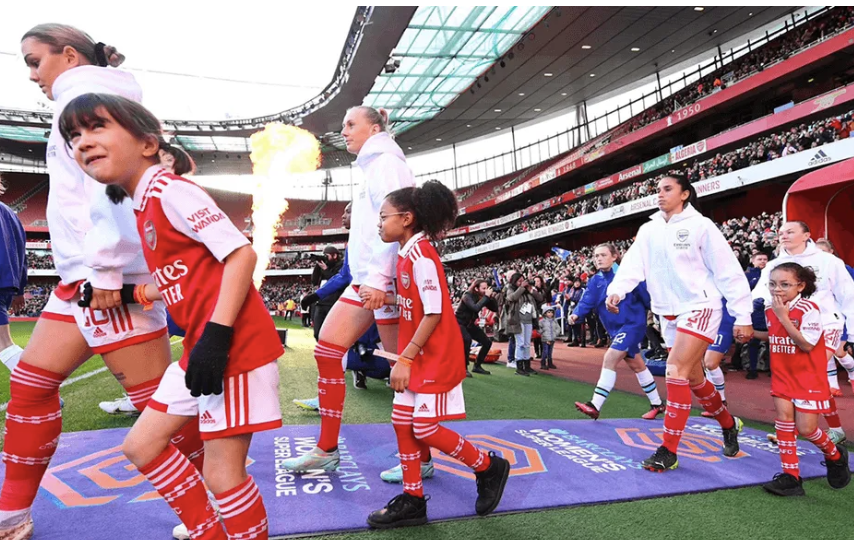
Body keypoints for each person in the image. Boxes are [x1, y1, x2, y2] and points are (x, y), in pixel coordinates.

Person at [0, 26, 204, 539]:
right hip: (83, 278)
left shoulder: (90, 100)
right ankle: (11, 513)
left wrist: (107, 271)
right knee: (30, 387)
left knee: (159, 411)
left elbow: (115, 186)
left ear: (68, 55)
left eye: (35, 61)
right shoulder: (92, 95)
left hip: (108, 282)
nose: (32, 75)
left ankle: (215, 507)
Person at [60, 92, 284, 539]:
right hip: (200, 348)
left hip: (234, 347)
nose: (82, 141)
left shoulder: (169, 191)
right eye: (73, 135)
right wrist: (128, 293)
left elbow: (240, 255)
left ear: (148, 144)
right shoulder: (143, 204)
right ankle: (208, 532)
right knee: (141, 445)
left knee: (223, 475)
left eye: (97, 126)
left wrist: (218, 336)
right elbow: (181, 277)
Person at [367, 180, 510, 529]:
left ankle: (488, 467)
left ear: (406, 218)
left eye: (383, 217)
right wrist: (387, 298)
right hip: (418, 354)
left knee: (424, 427)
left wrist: (404, 359)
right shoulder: (406, 253)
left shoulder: (421, 256)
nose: (379, 223)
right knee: (401, 421)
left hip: (435, 355)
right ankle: (413, 499)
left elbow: (434, 313)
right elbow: (417, 301)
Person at [281, 105, 414, 472]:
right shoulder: (375, 164)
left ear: (375, 128)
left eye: (351, 124)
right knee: (336, 352)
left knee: (398, 368)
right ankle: (328, 449)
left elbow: (398, 222)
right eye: (344, 125)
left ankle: (416, 457)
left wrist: (378, 279)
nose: (344, 131)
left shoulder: (386, 163)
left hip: (382, 280)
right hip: (372, 279)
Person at [606, 174, 753, 472]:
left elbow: (728, 271)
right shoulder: (648, 229)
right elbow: (633, 264)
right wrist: (617, 290)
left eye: (667, 189)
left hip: (700, 306)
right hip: (667, 313)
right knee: (694, 378)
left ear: (685, 194)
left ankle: (668, 450)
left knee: (675, 370)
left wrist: (743, 315)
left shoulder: (701, 226)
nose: (660, 194)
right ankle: (728, 424)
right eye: (657, 190)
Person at [98, 142, 196, 418]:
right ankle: (146, 397)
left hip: (196, 308)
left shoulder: (176, 203)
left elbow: (191, 275)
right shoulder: (152, 205)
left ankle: (148, 399)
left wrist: (131, 293)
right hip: (180, 303)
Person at [752, 222, 854, 445]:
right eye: (781, 232)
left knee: (811, 371)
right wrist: (755, 305)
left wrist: (852, 334)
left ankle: (816, 428)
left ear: (806, 235)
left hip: (827, 324)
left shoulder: (828, 261)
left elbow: (848, 295)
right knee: (802, 374)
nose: (784, 235)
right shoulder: (775, 263)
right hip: (790, 325)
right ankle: (811, 427)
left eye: (790, 232)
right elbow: (761, 291)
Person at [760, 263, 850, 496]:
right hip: (782, 375)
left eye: (784, 284)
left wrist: (783, 317)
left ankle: (835, 455)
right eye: (772, 284)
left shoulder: (809, 309)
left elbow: (806, 344)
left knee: (807, 429)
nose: (777, 289)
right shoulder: (769, 308)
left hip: (808, 378)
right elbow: (775, 335)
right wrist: (750, 334)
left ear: (800, 286)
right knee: (783, 424)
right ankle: (791, 477)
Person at [571, 244, 665, 420]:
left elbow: (647, 298)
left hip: (632, 325)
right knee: (637, 365)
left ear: (614, 256)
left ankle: (595, 405)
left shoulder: (629, 276)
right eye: (596, 256)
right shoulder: (595, 280)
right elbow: (586, 301)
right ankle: (657, 404)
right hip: (614, 329)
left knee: (610, 357)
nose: (599, 259)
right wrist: (576, 314)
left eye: (603, 255)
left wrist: (662, 318)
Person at [815, 238, 854, 395]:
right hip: (818, 317)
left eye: (824, 251)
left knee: (839, 351)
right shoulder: (811, 270)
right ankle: (832, 385)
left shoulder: (844, 268)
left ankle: (852, 374)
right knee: (825, 350)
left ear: (831, 251)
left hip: (840, 316)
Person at [0, 178, 27, 372]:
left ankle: (37, 386)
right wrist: (20, 290)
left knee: (4, 344)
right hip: (7, 284)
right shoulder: (10, 214)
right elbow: (22, 255)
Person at [455, 278, 499, 376]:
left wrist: (491, 297)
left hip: (470, 324)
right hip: (459, 323)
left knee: (487, 342)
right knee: (467, 340)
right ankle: (463, 368)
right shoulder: (467, 295)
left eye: (487, 288)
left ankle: (477, 366)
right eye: (483, 288)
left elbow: (495, 308)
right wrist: (486, 297)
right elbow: (475, 308)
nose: (486, 290)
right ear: (476, 288)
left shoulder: (483, 297)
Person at [700, 299, 735, 419]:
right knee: (705, 363)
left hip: (723, 324)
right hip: (705, 323)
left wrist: (743, 321)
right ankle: (715, 403)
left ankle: (721, 402)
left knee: (710, 363)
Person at [503, 272, 543, 376]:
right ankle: (519, 367)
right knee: (520, 343)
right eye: (519, 281)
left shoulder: (527, 291)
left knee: (527, 344)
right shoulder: (511, 289)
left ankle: (527, 366)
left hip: (528, 320)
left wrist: (531, 290)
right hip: (517, 320)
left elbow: (540, 298)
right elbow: (512, 298)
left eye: (523, 280)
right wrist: (521, 288)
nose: (522, 283)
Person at [307, 245, 344, 337]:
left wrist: (326, 269)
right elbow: (314, 281)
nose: (325, 258)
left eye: (327, 256)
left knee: (332, 333)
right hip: (321, 302)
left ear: (335, 256)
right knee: (317, 333)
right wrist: (318, 266)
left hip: (334, 303)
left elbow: (337, 281)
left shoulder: (341, 265)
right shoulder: (324, 266)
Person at [565, 278, 586, 346]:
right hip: (572, 308)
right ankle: (575, 340)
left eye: (578, 282)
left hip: (580, 309)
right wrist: (568, 299)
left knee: (581, 324)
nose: (577, 283)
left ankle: (583, 341)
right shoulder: (571, 290)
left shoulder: (582, 290)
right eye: (575, 282)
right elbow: (569, 299)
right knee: (573, 324)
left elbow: (581, 299)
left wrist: (571, 299)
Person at [539, 304, 559, 370]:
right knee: (545, 351)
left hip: (552, 338)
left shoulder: (554, 321)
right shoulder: (542, 321)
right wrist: (542, 333)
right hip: (545, 339)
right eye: (549, 312)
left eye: (552, 312)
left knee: (550, 352)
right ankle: (543, 363)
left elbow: (558, 328)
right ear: (545, 313)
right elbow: (539, 328)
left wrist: (555, 334)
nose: (550, 314)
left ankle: (550, 363)